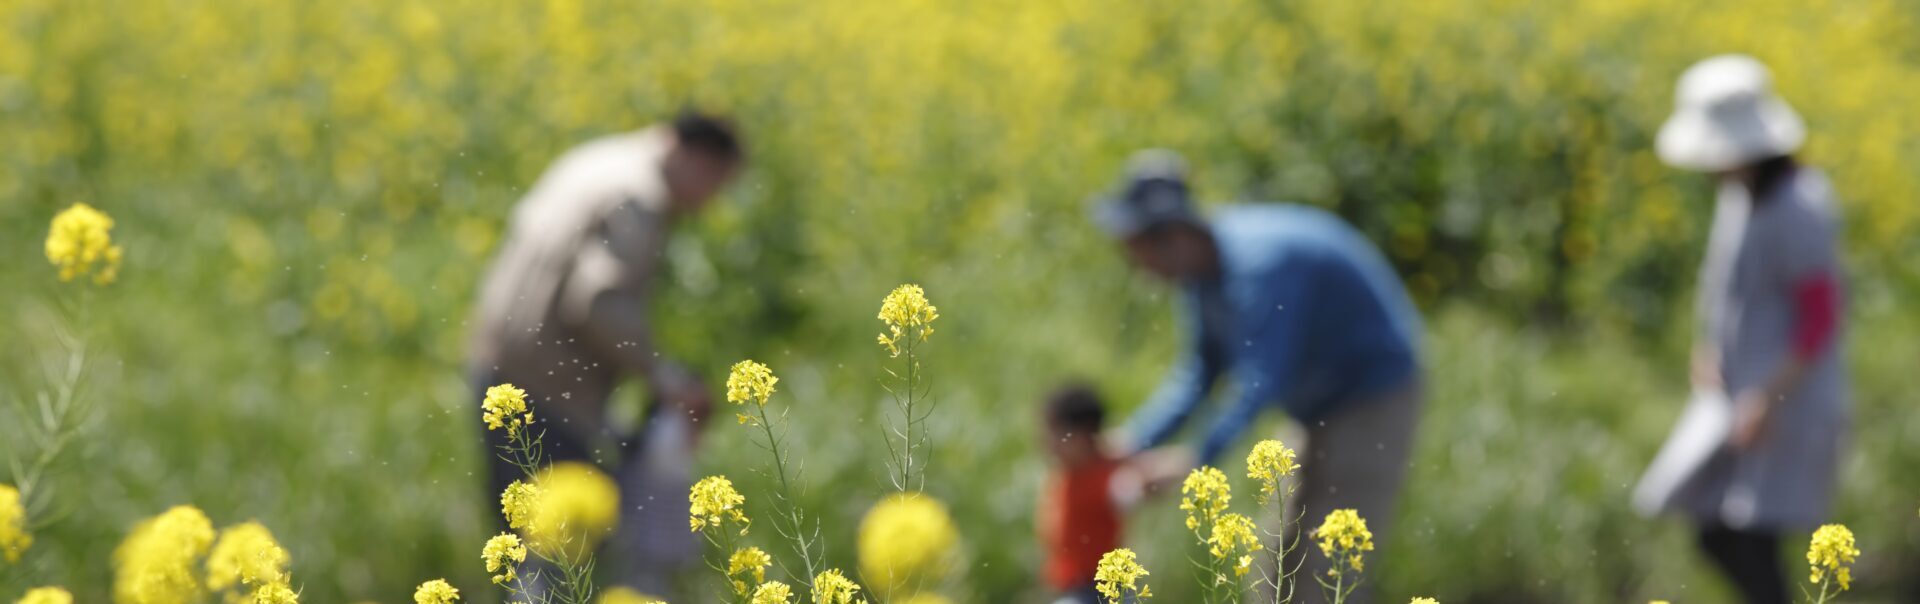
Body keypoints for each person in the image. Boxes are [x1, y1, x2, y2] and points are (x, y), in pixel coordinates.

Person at [1092, 149, 1423, 604]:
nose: (1137, 268)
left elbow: (1259, 380)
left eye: (1138, 251)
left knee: (1329, 572)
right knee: (1277, 570)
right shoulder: (1200, 277)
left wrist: (1194, 459)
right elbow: (1198, 376)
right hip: (1315, 404)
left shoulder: (1260, 267)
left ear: (1172, 236)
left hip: (1371, 397)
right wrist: (1133, 443)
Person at [468, 112, 744, 596]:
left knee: (524, 535)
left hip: (498, 363)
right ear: (697, 158)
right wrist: (662, 376)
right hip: (548, 385)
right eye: (717, 184)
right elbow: (598, 301)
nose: (709, 203)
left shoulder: (598, 159)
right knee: (558, 551)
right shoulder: (639, 195)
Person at [1633, 55, 1848, 604]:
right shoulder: (1742, 195)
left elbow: (1820, 317)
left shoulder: (1799, 205)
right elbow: (1735, 291)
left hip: (1784, 401)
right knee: (1717, 529)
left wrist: (1767, 397)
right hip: (1739, 397)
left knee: (1746, 538)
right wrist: (1709, 348)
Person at [1036, 384, 1144, 604]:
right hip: (1074, 589)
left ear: (1083, 436)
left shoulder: (1107, 480)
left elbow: (1133, 488)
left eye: (1055, 434)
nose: (1048, 443)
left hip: (1102, 590)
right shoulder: (1068, 473)